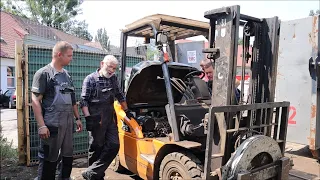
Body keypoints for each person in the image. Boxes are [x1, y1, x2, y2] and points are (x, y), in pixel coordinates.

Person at [31, 41, 83, 180]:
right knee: (49, 158)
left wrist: (77, 118)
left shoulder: (67, 75)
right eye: (69, 55)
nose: (71, 58)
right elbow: (35, 100)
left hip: (67, 124)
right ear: (59, 54)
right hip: (52, 125)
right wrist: (41, 125)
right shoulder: (44, 74)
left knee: (67, 155)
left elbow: (73, 100)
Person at [80, 55, 133, 180]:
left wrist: (127, 110)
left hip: (109, 118)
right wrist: (88, 118)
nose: (112, 71)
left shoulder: (113, 78)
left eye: (114, 68)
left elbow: (120, 95)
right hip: (96, 118)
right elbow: (83, 101)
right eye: (110, 67)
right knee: (96, 147)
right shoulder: (90, 79)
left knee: (114, 145)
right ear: (102, 64)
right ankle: (96, 176)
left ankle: (92, 172)